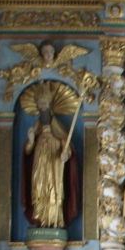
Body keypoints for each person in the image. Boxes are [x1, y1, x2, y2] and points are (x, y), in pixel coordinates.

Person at [21, 79, 79, 229]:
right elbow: (27, 151)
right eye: (40, 104)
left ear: (50, 106)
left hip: (55, 165)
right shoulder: (35, 131)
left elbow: (66, 145)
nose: (43, 106)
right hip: (40, 165)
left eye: (45, 103)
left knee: (55, 190)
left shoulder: (58, 128)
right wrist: (31, 141)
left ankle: (55, 221)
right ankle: (40, 220)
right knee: (39, 189)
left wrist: (66, 154)